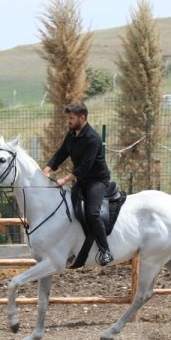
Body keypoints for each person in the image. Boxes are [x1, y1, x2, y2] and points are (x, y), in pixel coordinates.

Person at [42, 102, 114, 266]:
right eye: (69, 117)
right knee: (67, 209)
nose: (69, 120)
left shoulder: (93, 138)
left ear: (82, 117)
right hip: (82, 180)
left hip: (96, 180)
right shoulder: (72, 134)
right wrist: (46, 170)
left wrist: (64, 180)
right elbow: (61, 153)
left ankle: (105, 251)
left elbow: (85, 167)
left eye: (72, 118)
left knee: (92, 213)